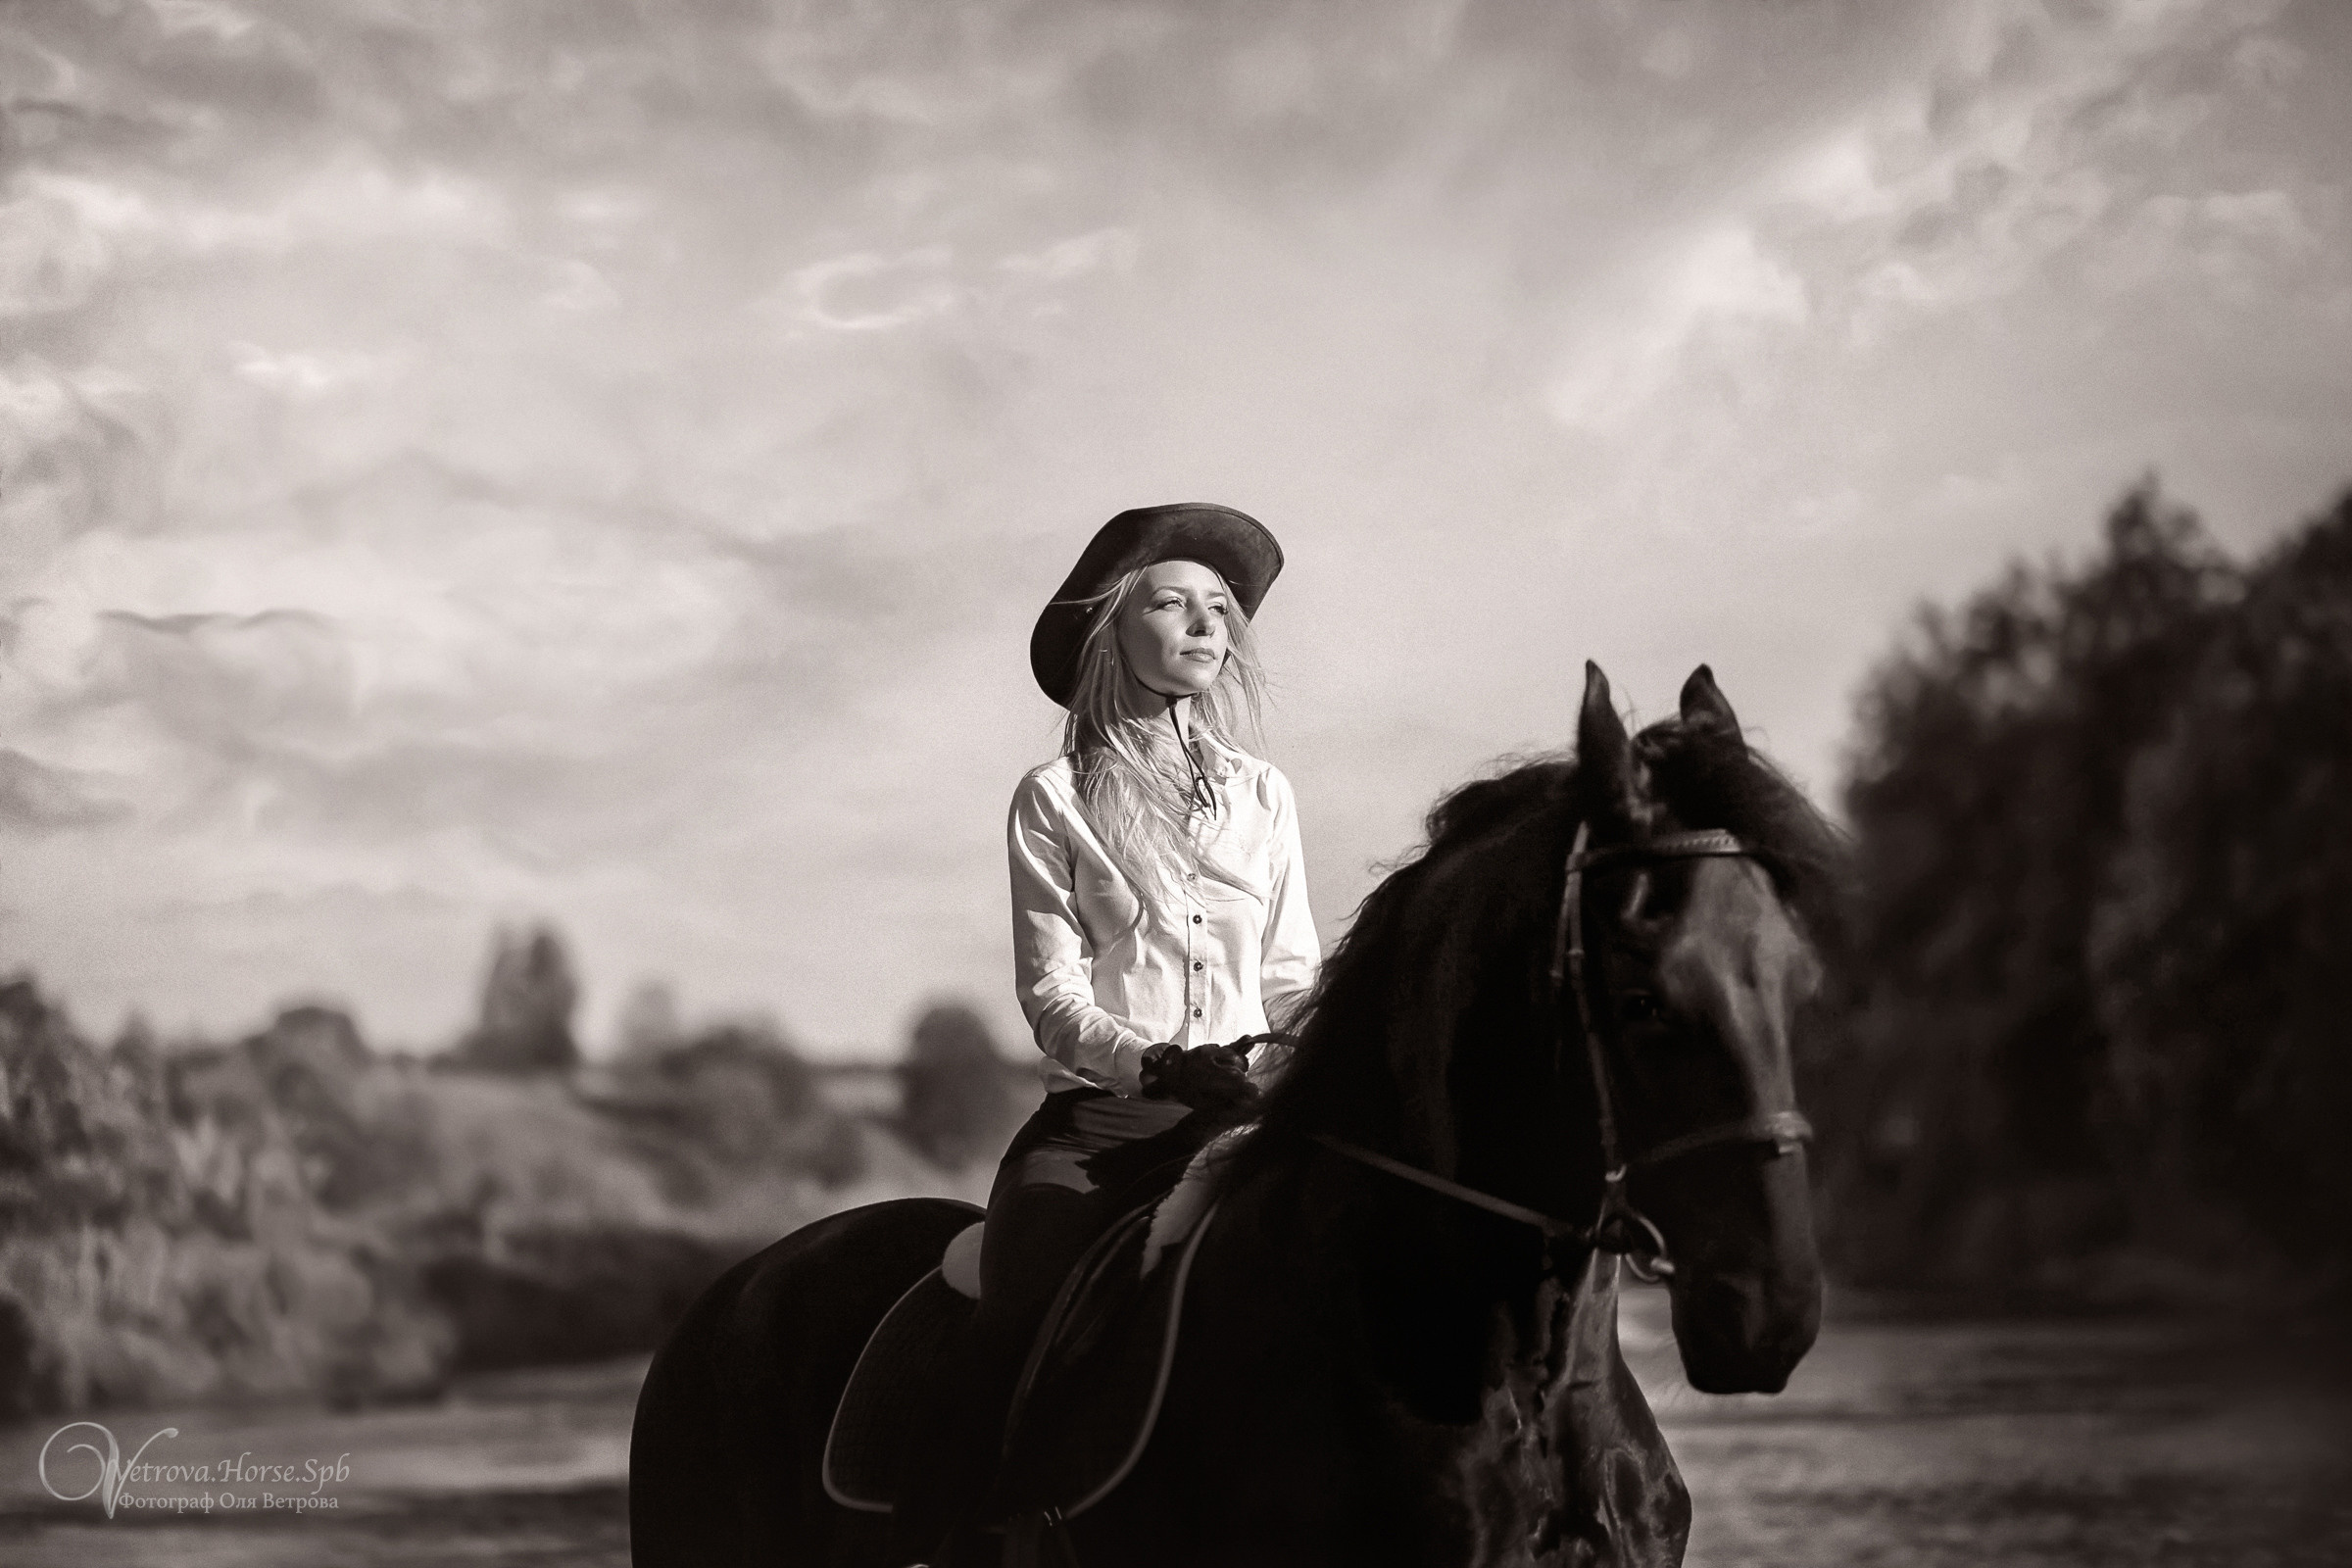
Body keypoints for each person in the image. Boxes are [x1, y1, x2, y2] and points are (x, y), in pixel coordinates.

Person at [892, 503, 1320, 1565]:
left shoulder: (1266, 795)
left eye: (1219, 608)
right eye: (1172, 603)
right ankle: (976, 1528)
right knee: (1022, 1301)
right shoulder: (1053, 797)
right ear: (1111, 629)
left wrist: (1306, 1060)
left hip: (1247, 1118)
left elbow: (1289, 976)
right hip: (1104, 1127)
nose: (1206, 623)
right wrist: (1158, 1061)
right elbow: (1054, 996)